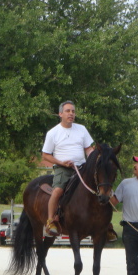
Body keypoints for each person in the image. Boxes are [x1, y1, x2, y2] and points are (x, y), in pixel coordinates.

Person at [42, 100, 94, 236]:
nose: (71, 114)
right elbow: (45, 155)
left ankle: (105, 224)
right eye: (67, 111)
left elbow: (89, 149)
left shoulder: (81, 129)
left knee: (99, 188)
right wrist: (61, 163)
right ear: (60, 114)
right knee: (58, 190)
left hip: (82, 167)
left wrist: (95, 159)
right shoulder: (53, 133)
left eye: (73, 111)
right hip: (63, 168)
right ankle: (50, 221)